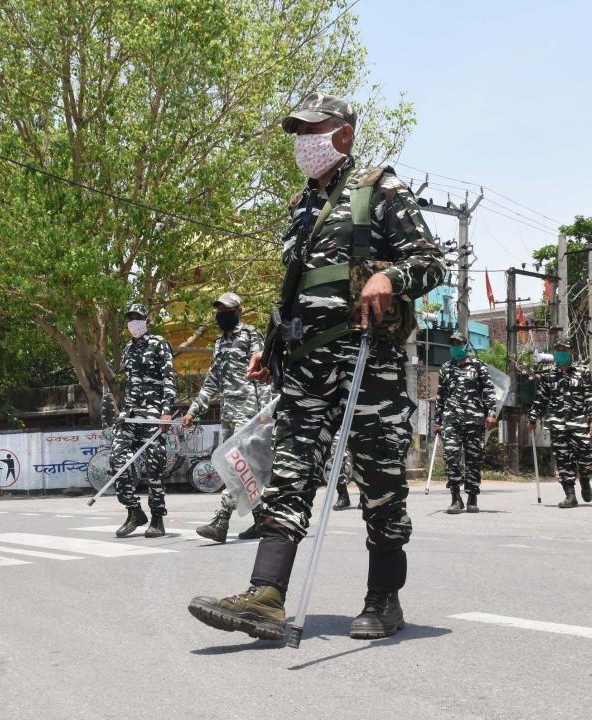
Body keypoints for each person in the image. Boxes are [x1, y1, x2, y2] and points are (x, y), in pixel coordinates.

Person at [188, 93, 445, 641]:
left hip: (366, 365)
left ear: (343, 134)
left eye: (313, 128)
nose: (303, 141)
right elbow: (296, 289)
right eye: (299, 131)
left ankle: (383, 599)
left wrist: (391, 278)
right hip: (304, 370)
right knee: (288, 480)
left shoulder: (380, 191)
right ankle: (266, 596)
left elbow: (430, 261)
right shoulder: (301, 207)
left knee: (380, 486)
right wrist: (272, 342)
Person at [189, 292, 271, 543]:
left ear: (239, 311)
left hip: (248, 412)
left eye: (227, 309)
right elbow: (212, 380)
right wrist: (194, 409)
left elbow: (263, 371)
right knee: (236, 466)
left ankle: (221, 519)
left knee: (239, 466)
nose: (222, 314)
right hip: (228, 413)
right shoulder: (219, 342)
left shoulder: (250, 335)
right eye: (219, 310)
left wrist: (265, 412)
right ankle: (261, 519)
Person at [110, 302, 175, 539]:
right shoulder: (127, 349)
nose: (133, 322)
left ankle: (157, 518)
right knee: (117, 461)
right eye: (130, 318)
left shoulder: (159, 344)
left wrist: (166, 411)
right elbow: (128, 383)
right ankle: (134, 511)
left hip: (153, 415)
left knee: (153, 467)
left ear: (146, 320)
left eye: (138, 317)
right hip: (130, 415)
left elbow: (169, 378)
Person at [527, 337, 592, 508]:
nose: (560, 353)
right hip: (557, 424)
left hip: (579, 422)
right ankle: (570, 495)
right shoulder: (549, 375)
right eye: (558, 350)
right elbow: (541, 399)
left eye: (564, 350)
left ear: (571, 352)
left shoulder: (583, 372)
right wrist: (533, 418)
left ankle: (585, 479)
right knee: (562, 459)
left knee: (586, 456)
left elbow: (591, 397)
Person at [434, 331, 498, 514]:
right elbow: (441, 396)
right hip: (451, 419)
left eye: (458, 343)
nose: (455, 347)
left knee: (474, 459)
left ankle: (472, 497)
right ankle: (455, 497)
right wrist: (438, 421)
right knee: (451, 456)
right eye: (452, 344)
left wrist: (491, 414)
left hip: (474, 420)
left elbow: (488, 391)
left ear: (465, 345)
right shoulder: (445, 368)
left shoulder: (478, 366)